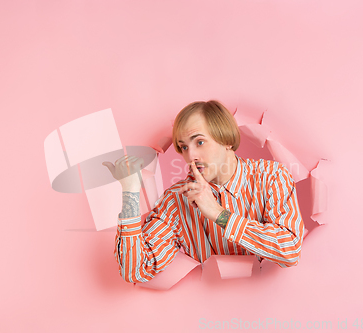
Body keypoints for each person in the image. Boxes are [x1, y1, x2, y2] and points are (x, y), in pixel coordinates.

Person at [102, 100, 304, 283]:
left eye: (199, 142)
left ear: (226, 140)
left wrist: (219, 215)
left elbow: (290, 249)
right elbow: (136, 271)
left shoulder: (272, 176)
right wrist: (130, 192)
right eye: (183, 147)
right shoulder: (176, 200)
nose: (191, 156)